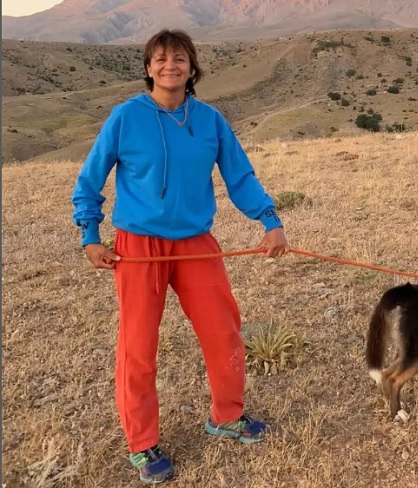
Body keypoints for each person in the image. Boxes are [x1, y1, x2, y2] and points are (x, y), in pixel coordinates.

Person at [71, 28, 289, 484]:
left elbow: (240, 176)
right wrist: (90, 234)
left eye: (180, 59)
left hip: (196, 243)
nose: (171, 66)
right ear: (148, 67)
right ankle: (142, 441)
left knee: (224, 331)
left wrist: (270, 220)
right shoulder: (126, 118)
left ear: (192, 68)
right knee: (139, 345)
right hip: (139, 248)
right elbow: (89, 180)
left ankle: (226, 416)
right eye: (161, 59)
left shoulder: (210, 120)